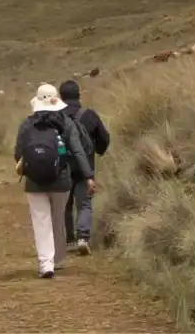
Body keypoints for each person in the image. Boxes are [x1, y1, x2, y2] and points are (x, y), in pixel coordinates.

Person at [14, 83, 95, 279]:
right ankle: (57, 258)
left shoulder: (27, 124)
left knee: (41, 221)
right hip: (61, 181)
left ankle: (45, 263)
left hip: (34, 182)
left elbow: (18, 154)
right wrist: (88, 176)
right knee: (58, 219)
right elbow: (77, 151)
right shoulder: (66, 123)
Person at [58, 79, 111, 256]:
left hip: (62, 167)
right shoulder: (89, 115)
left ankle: (69, 240)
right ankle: (83, 238)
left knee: (65, 205)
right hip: (85, 166)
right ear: (78, 95)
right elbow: (104, 137)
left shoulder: (55, 116)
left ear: (60, 96)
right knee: (84, 204)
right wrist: (98, 150)